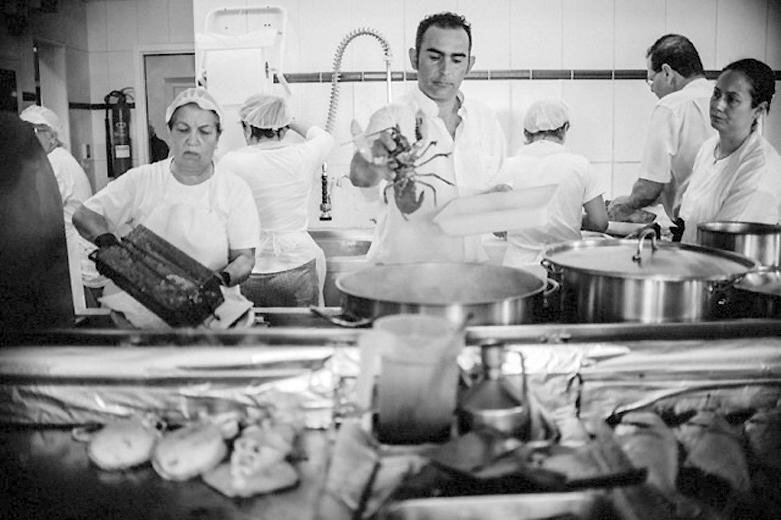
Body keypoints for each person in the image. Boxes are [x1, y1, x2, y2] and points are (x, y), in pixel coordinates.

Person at [73, 87, 260, 327]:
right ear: (169, 132)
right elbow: (84, 216)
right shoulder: (142, 179)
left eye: (204, 131)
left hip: (212, 310)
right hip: (140, 309)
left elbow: (244, 258)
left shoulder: (234, 189)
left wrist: (218, 280)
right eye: (183, 130)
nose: (193, 140)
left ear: (217, 138)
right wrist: (109, 244)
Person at [349, 11, 505, 264]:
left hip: (468, 272)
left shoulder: (486, 119)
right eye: (434, 57)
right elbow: (361, 178)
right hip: (400, 273)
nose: (445, 70)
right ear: (414, 58)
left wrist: (498, 202)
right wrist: (373, 156)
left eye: (457, 59)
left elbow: (491, 191)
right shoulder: (390, 118)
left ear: (470, 64)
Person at [218, 94, 335, 307]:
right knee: (301, 336)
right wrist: (289, 120)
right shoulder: (302, 155)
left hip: (250, 269)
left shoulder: (230, 162)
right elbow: (325, 137)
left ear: (246, 128)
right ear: (283, 129)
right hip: (298, 264)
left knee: (254, 334)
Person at [608, 34, 714, 226]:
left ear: (667, 72)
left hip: (698, 227)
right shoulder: (724, 100)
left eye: (650, 80)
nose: (651, 89)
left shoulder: (671, 106)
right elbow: (693, 176)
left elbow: (650, 187)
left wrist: (625, 207)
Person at [496, 99, 608, 278]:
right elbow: (600, 223)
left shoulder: (507, 167)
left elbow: (497, 226)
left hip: (518, 271)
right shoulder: (580, 165)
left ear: (525, 133)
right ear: (564, 129)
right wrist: (569, 218)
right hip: (565, 267)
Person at [679, 58, 781, 244]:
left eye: (732, 99)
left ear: (759, 110)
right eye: (717, 94)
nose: (718, 105)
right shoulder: (709, 148)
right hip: (692, 263)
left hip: (727, 268)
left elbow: (727, 244)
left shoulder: (761, 168)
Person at [20, 104, 95, 313]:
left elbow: (34, 213)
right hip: (71, 261)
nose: (28, 139)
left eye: (35, 131)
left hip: (75, 264)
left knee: (80, 326)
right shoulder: (54, 160)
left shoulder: (56, 163)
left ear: (52, 137)